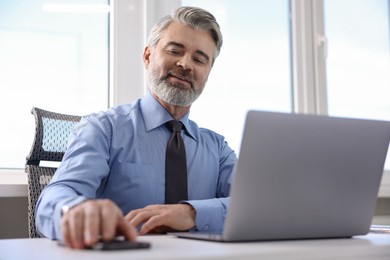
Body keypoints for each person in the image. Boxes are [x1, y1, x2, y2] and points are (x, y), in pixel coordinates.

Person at [35, 6, 237, 249]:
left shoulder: (218, 149)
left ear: (207, 73)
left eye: (199, 59)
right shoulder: (103, 129)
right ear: (148, 56)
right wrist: (74, 211)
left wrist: (193, 214)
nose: (185, 64)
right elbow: (54, 198)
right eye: (175, 50)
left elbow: (256, 206)